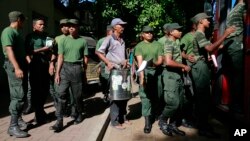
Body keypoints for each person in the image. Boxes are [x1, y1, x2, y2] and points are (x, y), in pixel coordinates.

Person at [190, 13, 235, 137]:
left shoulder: (200, 34)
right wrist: (225, 34)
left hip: (201, 65)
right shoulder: (199, 34)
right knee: (203, 98)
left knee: (203, 97)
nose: (209, 22)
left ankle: (203, 124)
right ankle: (203, 128)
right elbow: (210, 48)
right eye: (207, 20)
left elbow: (205, 51)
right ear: (200, 22)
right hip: (200, 68)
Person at [50, 19, 88, 132]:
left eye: (74, 26)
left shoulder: (83, 41)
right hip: (65, 69)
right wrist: (57, 73)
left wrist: (84, 73)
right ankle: (59, 121)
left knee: (77, 96)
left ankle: (79, 113)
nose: (71, 28)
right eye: (69, 26)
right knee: (61, 94)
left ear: (78, 27)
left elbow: (85, 58)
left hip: (77, 68)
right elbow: (60, 57)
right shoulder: (63, 40)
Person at [96, 18, 130, 130]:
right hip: (114, 72)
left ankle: (123, 118)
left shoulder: (122, 40)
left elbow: (122, 55)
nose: (123, 27)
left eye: (123, 25)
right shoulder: (109, 38)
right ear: (115, 27)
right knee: (115, 97)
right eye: (121, 25)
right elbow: (99, 52)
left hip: (123, 71)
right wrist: (108, 62)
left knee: (124, 96)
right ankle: (114, 122)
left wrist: (126, 61)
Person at [158, 23, 191, 136]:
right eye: (178, 30)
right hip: (170, 76)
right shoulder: (169, 43)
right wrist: (183, 66)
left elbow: (176, 59)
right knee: (173, 103)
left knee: (180, 103)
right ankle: (162, 122)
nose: (181, 32)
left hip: (177, 76)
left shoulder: (175, 43)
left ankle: (172, 125)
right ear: (171, 32)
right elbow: (168, 61)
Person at [1, 11, 29, 137]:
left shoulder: (17, 32)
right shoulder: (8, 31)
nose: (24, 22)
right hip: (14, 65)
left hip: (20, 64)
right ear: (18, 19)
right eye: (23, 20)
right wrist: (17, 68)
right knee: (18, 95)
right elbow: (9, 50)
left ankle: (18, 119)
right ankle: (12, 126)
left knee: (22, 94)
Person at [134, 26, 163, 134]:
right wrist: (142, 78)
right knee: (145, 97)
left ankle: (154, 113)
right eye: (147, 32)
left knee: (157, 95)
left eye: (151, 32)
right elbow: (140, 63)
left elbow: (160, 59)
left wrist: (155, 63)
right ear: (142, 34)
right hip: (145, 72)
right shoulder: (139, 46)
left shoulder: (158, 44)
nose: (149, 34)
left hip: (157, 72)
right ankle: (147, 122)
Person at [25, 18, 51, 125]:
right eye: (40, 24)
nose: (42, 26)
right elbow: (26, 52)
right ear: (34, 26)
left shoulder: (47, 36)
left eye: (43, 24)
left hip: (45, 66)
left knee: (45, 89)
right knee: (36, 91)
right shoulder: (30, 37)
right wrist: (30, 62)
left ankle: (40, 112)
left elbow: (49, 49)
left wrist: (36, 51)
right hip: (35, 66)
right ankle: (39, 115)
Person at [222, 0, 246, 113]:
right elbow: (247, 22)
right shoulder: (243, 6)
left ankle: (231, 102)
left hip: (229, 42)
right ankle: (236, 104)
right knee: (238, 75)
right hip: (236, 41)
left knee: (231, 74)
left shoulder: (232, 9)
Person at [52, 19, 77, 118]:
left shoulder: (74, 38)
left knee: (72, 91)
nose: (64, 28)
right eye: (62, 26)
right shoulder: (57, 38)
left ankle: (73, 110)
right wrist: (51, 64)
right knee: (59, 90)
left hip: (71, 67)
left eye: (66, 25)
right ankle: (62, 110)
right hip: (60, 67)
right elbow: (54, 53)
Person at [179, 18, 197, 128]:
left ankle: (194, 116)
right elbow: (181, 52)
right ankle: (186, 118)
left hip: (200, 68)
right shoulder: (186, 37)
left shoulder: (201, 36)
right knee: (189, 94)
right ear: (194, 25)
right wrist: (187, 57)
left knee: (197, 93)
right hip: (190, 68)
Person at [95, 25, 113, 103]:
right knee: (105, 79)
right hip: (105, 64)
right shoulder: (102, 40)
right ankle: (106, 94)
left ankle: (110, 94)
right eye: (113, 31)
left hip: (114, 63)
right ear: (108, 32)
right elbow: (97, 52)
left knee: (112, 79)